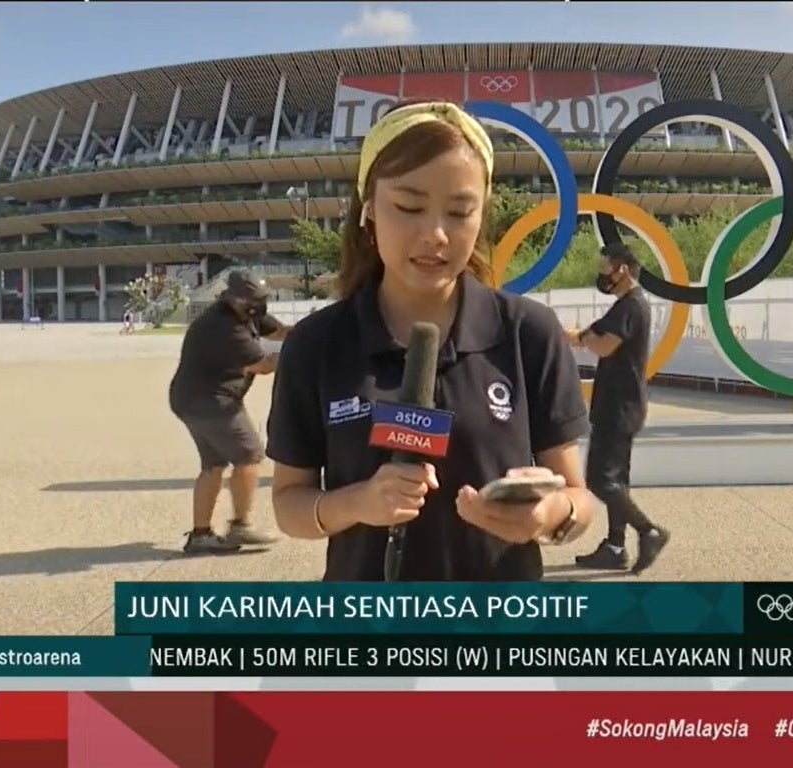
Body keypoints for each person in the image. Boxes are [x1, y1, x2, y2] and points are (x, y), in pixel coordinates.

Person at [265, 101, 598, 581]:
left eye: (460, 212)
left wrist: (554, 514)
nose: (435, 234)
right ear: (369, 210)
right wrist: (358, 502)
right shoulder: (316, 344)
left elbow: (580, 498)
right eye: (409, 206)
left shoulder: (529, 333)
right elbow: (288, 502)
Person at [169, 271, 292, 554]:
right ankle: (241, 526)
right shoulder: (223, 327)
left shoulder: (244, 314)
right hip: (211, 403)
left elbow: (281, 332)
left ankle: (201, 535)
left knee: (212, 465)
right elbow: (263, 365)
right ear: (236, 300)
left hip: (190, 400)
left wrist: (313, 332)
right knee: (249, 456)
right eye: (255, 301)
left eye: (262, 300)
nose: (260, 306)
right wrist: (301, 352)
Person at [567, 243, 670, 574]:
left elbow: (604, 345)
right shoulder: (626, 306)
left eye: (605, 265)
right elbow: (591, 336)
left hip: (619, 407)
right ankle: (614, 546)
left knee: (600, 480)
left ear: (622, 269)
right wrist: (574, 335)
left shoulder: (631, 306)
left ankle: (648, 531)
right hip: (622, 404)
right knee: (617, 481)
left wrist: (581, 338)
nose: (602, 272)